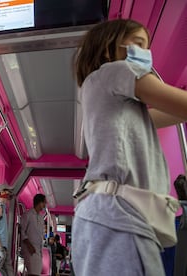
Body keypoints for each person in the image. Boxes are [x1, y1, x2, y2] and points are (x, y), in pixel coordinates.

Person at [72, 18, 187, 276]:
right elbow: (176, 103)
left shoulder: (108, 102)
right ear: (107, 49)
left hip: (103, 215)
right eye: (137, 44)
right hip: (118, 214)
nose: (145, 54)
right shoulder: (115, 70)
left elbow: (170, 112)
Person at [20, 193, 46, 276]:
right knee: (33, 273)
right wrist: (29, 245)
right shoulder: (28, 215)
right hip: (29, 248)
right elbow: (22, 231)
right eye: (44, 202)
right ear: (40, 203)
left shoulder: (41, 218)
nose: (45, 205)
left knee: (35, 273)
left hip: (38, 249)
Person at [0, 188, 15, 276]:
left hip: (4, 247)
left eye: (9, 197)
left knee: (9, 272)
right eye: (5, 195)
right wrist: (0, 248)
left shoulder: (3, 209)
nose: (7, 198)